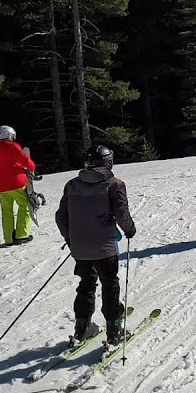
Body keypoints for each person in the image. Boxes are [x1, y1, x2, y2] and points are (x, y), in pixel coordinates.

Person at [56, 144, 137, 345]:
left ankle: (82, 329)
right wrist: (129, 230)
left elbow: (61, 217)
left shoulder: (72, 185)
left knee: (86, 285)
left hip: (80, 248)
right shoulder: (114, 184)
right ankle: (114, 331)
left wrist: (71, 239)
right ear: (108, 162)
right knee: (110, 285)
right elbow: (121, 214)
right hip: (105, 246)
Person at [0, 125, 39, 245]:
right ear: (8, 135)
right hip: (16, 183)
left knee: (6, 211)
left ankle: (8, 238)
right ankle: (21, 235)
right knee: (25, 206)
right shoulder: (12, 146)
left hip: (0, 185)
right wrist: (31, 168)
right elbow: (26, 161)